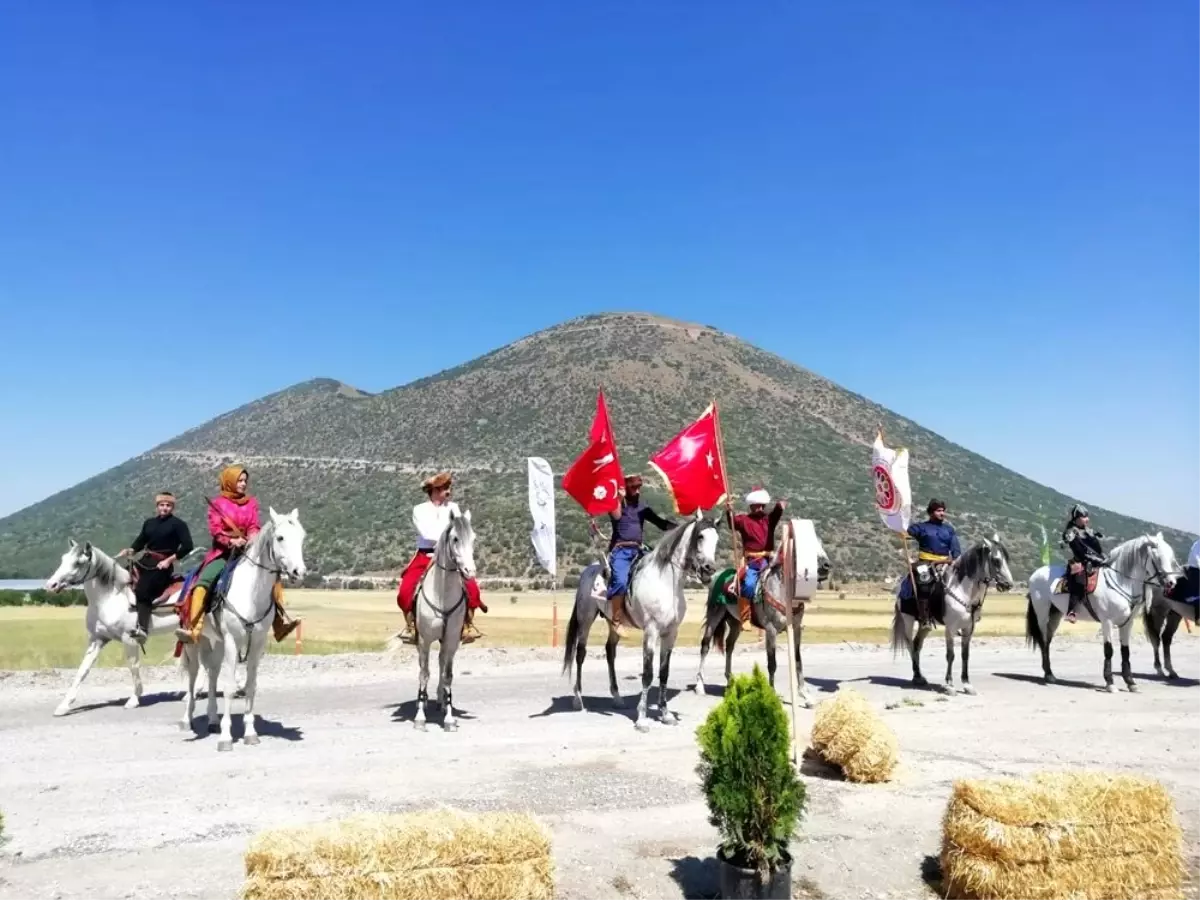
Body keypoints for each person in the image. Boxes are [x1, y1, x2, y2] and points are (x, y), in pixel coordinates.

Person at [176, 465, 301, 644]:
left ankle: (279, 624)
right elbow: (215, 530)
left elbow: (253, 525)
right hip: (222, 553)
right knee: (202, 583)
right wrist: (231, 541)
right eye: (239, 481)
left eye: (245, 481)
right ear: (230, 482)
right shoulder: (218, 504)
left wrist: (252, 537)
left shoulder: (251, 502)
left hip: (247, 551)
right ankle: (194, 629)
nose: (243, 484)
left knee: (273, 581)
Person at [396, 472, 487, 645]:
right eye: (444, 488)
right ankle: (412, 626)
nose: (448, 491)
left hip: (450, 554)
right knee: (405, 590)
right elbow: (427, 533)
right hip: (426, 554)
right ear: (434, 490)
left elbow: (460, 531)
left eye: (449, 487)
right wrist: (447, 538)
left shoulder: (454, 508)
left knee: (472, 588)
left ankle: (466, 625)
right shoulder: (419, 510)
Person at [117, 491, 194, 645]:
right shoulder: (149, 523)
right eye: (161, 505)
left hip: (162, 565)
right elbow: (140, 542)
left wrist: (169, 560)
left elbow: (187, 546)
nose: (164, 508)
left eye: (168, 505)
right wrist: (130, 550)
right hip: (145, 560)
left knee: (143, 591)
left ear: (172, 507)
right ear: (157, 506)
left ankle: (143, 630)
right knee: (120, 577)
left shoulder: (179, 524)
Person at [605, 474, 676, 636]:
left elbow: (660, 523)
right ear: (627, 489)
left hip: (639, 550)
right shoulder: (616, 505)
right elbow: (616, 516)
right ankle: (616, 620)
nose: (637, 491)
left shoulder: (642, 507)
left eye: (638, 488)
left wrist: (682, 528)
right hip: (621, 550)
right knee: (621, 581)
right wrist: (618, 499)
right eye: (634, 488)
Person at [723, 488, 787, 624]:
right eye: (755, 505)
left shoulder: (769, 520)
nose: (758, 508)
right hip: (752, 562)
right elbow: (732, 523)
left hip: (770, 561)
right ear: (751, 506)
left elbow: (777, 512)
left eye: (761, 505)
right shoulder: (743, 520)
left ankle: (789, 614)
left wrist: (780, 506)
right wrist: (729, 511)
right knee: (749, 585)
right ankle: (746, 616)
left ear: (763, 506)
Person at [899, 499, 962, 625]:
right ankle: (924, 617)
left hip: (946, 563)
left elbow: (955, 548)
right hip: (926, 563)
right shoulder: (921, 527)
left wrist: (956, 559)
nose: (942, 513)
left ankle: (964, 615)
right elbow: (906, 531)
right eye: (939, 511)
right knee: (924, 581)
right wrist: (900, 525)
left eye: (943, 511)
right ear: (931, 512)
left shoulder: (949, 529)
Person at [1061, 504, 1107, 623]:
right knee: (1079, 579)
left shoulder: (1088, 531)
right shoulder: (1070, 532)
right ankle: (1071, 611)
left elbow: (1097, 548)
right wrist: (1092, 559)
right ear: (1077, 518)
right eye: (1084, 516)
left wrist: (1094, 539)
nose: (1087, 519)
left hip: (1094, 560)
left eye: (1087, 516)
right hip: (1078, 562)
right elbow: (1079, 551)